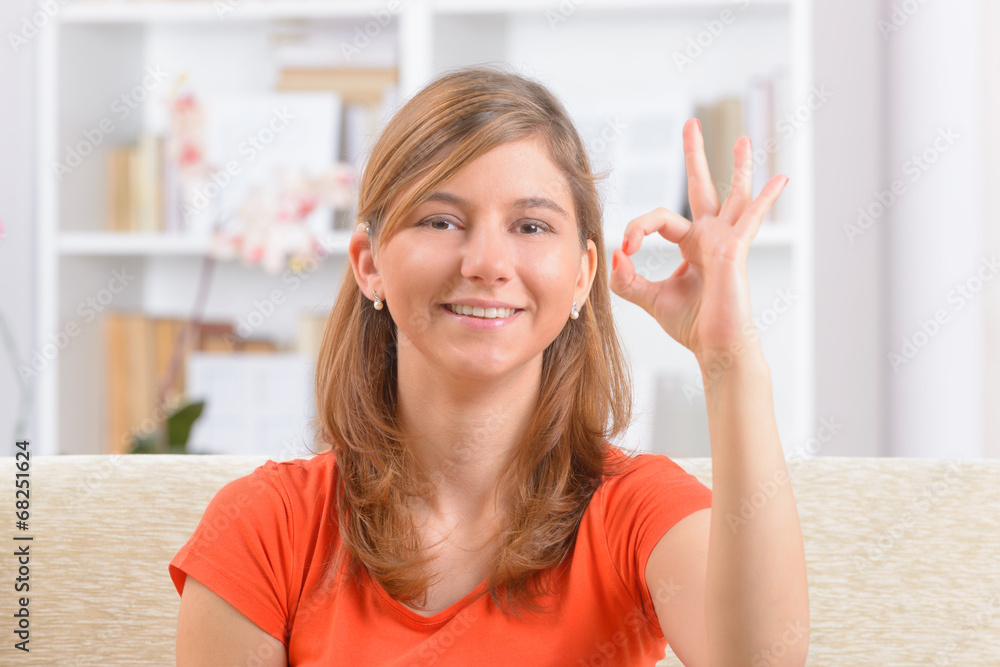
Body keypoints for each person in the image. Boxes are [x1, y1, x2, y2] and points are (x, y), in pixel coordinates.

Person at [170, 64, 809, 666]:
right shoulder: (266, 524)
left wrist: (729, 361)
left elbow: (760, 659)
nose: (487, 262)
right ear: (369, 264)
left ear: (584, 274)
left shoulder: (633, 508)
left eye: (531, 227)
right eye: (441, 220)